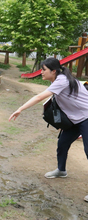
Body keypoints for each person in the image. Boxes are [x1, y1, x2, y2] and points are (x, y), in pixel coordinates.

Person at [8, 57, 88, 202]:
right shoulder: (58, 80)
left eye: (44, 70)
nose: (41, 72)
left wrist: (20, 108)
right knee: (62, 144)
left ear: (53, 71)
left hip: (86, 117)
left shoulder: (62, 80)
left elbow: (39, 97)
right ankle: (61, 170)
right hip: (76, 119)